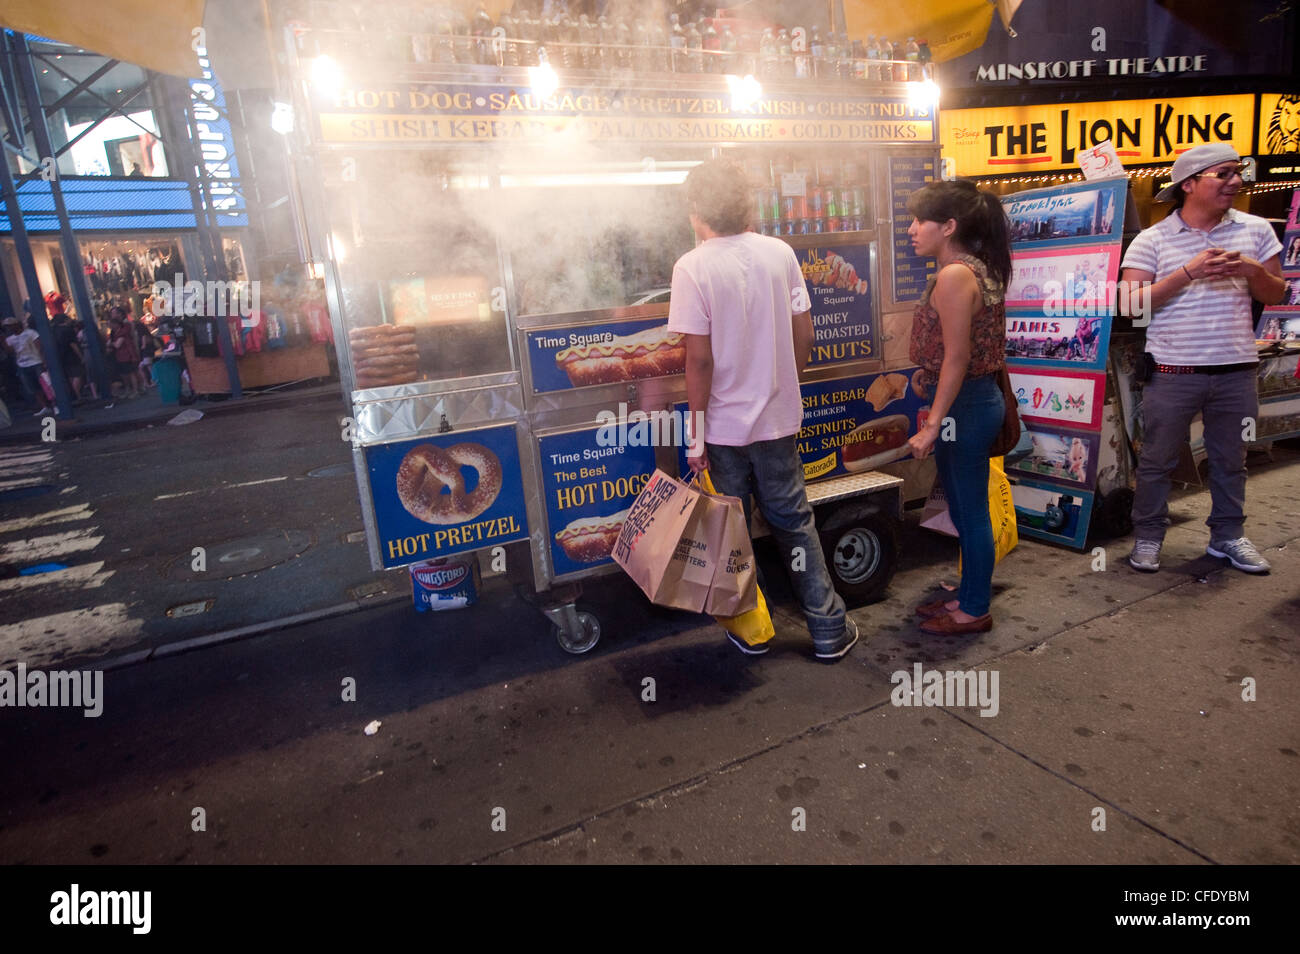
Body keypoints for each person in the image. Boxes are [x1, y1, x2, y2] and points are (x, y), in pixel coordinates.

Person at [667, 158, 858, 661]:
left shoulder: (692, 266)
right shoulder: (780, 254)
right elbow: (806, 335)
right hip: (778, 423)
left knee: (732, 529)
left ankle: (754, 629)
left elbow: (699, 360)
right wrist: (779, 386)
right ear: (745, 203)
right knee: (794, 523)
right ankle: (827, 628)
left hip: (725, 430)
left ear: (695, 210)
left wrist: (696, 434)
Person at [1120, 143, 1285, 574]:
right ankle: (1148, 538)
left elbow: (1276, 292)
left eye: (1238, 173)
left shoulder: (1256, 230)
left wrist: (1252, 270)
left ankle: (1228, 537)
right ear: (1188, 184)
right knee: (1157, 461)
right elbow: (1130, 306)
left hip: (1237, 372)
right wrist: (1187, 272)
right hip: (1172, 373)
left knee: (1233, 459)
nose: (1236, 182)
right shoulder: (1151, 240)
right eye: (1224, 174)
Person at [905, 179, 1013, 636]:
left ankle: (973, 609)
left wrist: (932, 424)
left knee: (969, 510)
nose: (911, 229)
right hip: (971, 401)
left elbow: (958, 357)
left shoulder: (955, 275)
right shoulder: (975, 267)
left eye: (919, 220)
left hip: (964, 407)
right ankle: (967, 596)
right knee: (966, 507)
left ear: (948, 226)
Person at [3, 316, 55, 416]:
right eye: (8, 327)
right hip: (23, 364)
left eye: (10, 326)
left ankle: (53, 404)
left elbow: (39, 347)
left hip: (36, 361)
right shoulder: (10, 339)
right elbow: (11, 352)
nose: (9, 329)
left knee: (46, 384)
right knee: (32, 387)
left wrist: (43, 360)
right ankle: (45, 406)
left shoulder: (30, 333)